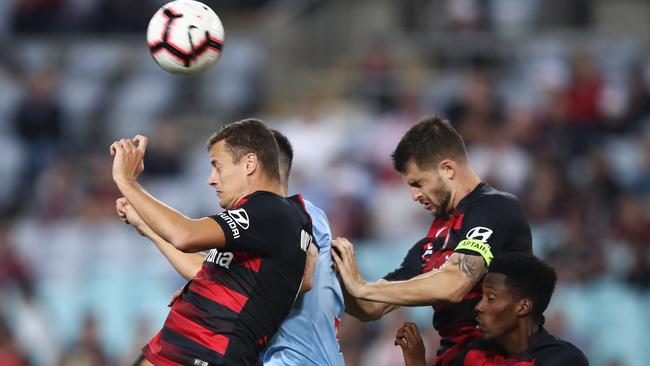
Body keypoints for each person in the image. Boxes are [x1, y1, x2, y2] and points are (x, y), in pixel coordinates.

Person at [117, 128, 345, 365]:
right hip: (183, 345)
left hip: (210, 351)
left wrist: (126, 181)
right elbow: (208, 270)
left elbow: (184, 235)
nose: (211, 179)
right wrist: (148, 228)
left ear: (249, 164)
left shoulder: (272, 212)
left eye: (218, 166)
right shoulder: (266, 223)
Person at [332, 115, 532, 365]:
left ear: (447, 169)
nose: (414, 195)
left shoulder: (495, 208)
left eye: (418, 183)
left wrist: (363, 286)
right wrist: (333, 275)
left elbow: (454, 283)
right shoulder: (431, 242)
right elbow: (370, 308)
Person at [395, 253, 589, 366]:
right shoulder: (474, 354)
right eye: (481, 298)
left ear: (523, 306)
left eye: (491, 298)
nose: (479, 307)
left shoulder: (564, 360)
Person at [259, 129, 345, 365]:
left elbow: (299, 281)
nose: (214, 179)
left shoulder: (294, 217)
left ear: (252, 168)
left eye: (224, 167)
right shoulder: (306, 216)